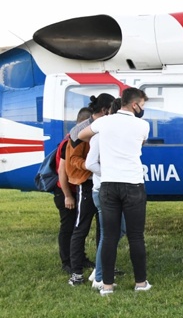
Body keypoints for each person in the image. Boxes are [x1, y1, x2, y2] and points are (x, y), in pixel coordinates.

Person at [79, 87, 151, 295]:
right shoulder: (142, 125)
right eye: (142, 105)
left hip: (108, 185)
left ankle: (107, 286)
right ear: (135, 104)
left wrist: (106, 140)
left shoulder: (104, 122)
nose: (142, 109)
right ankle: (140, 283)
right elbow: (141, 142)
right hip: (133, 184)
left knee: (109, 236)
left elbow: (81, 135)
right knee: (136, 236)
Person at [66, 93, 115, 286]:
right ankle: (76, 272)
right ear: (105, 110)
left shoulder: (108, 126)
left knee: (104, 229)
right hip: (87, 185)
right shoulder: (79, 131)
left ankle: (101, 268)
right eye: (113, 109)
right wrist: (92, 165)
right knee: (81, 228)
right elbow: (72, 160)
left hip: (105, 183)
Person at [85, 98, 128, 290]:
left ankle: (98, 271)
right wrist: (110, 173)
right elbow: (90, 163)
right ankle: (99, 278)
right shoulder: (99, 135)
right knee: (109, 234)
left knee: (119, 230)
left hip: (115, 189)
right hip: (103, 190)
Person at [53, 107, 91, 275]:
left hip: (78, 190)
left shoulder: (80, 140)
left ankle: (80, 258)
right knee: (68, 228)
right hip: (66, 192)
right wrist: (68, 196)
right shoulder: (68, 143)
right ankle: (67, 261)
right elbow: (62, 172)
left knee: (78, 227)